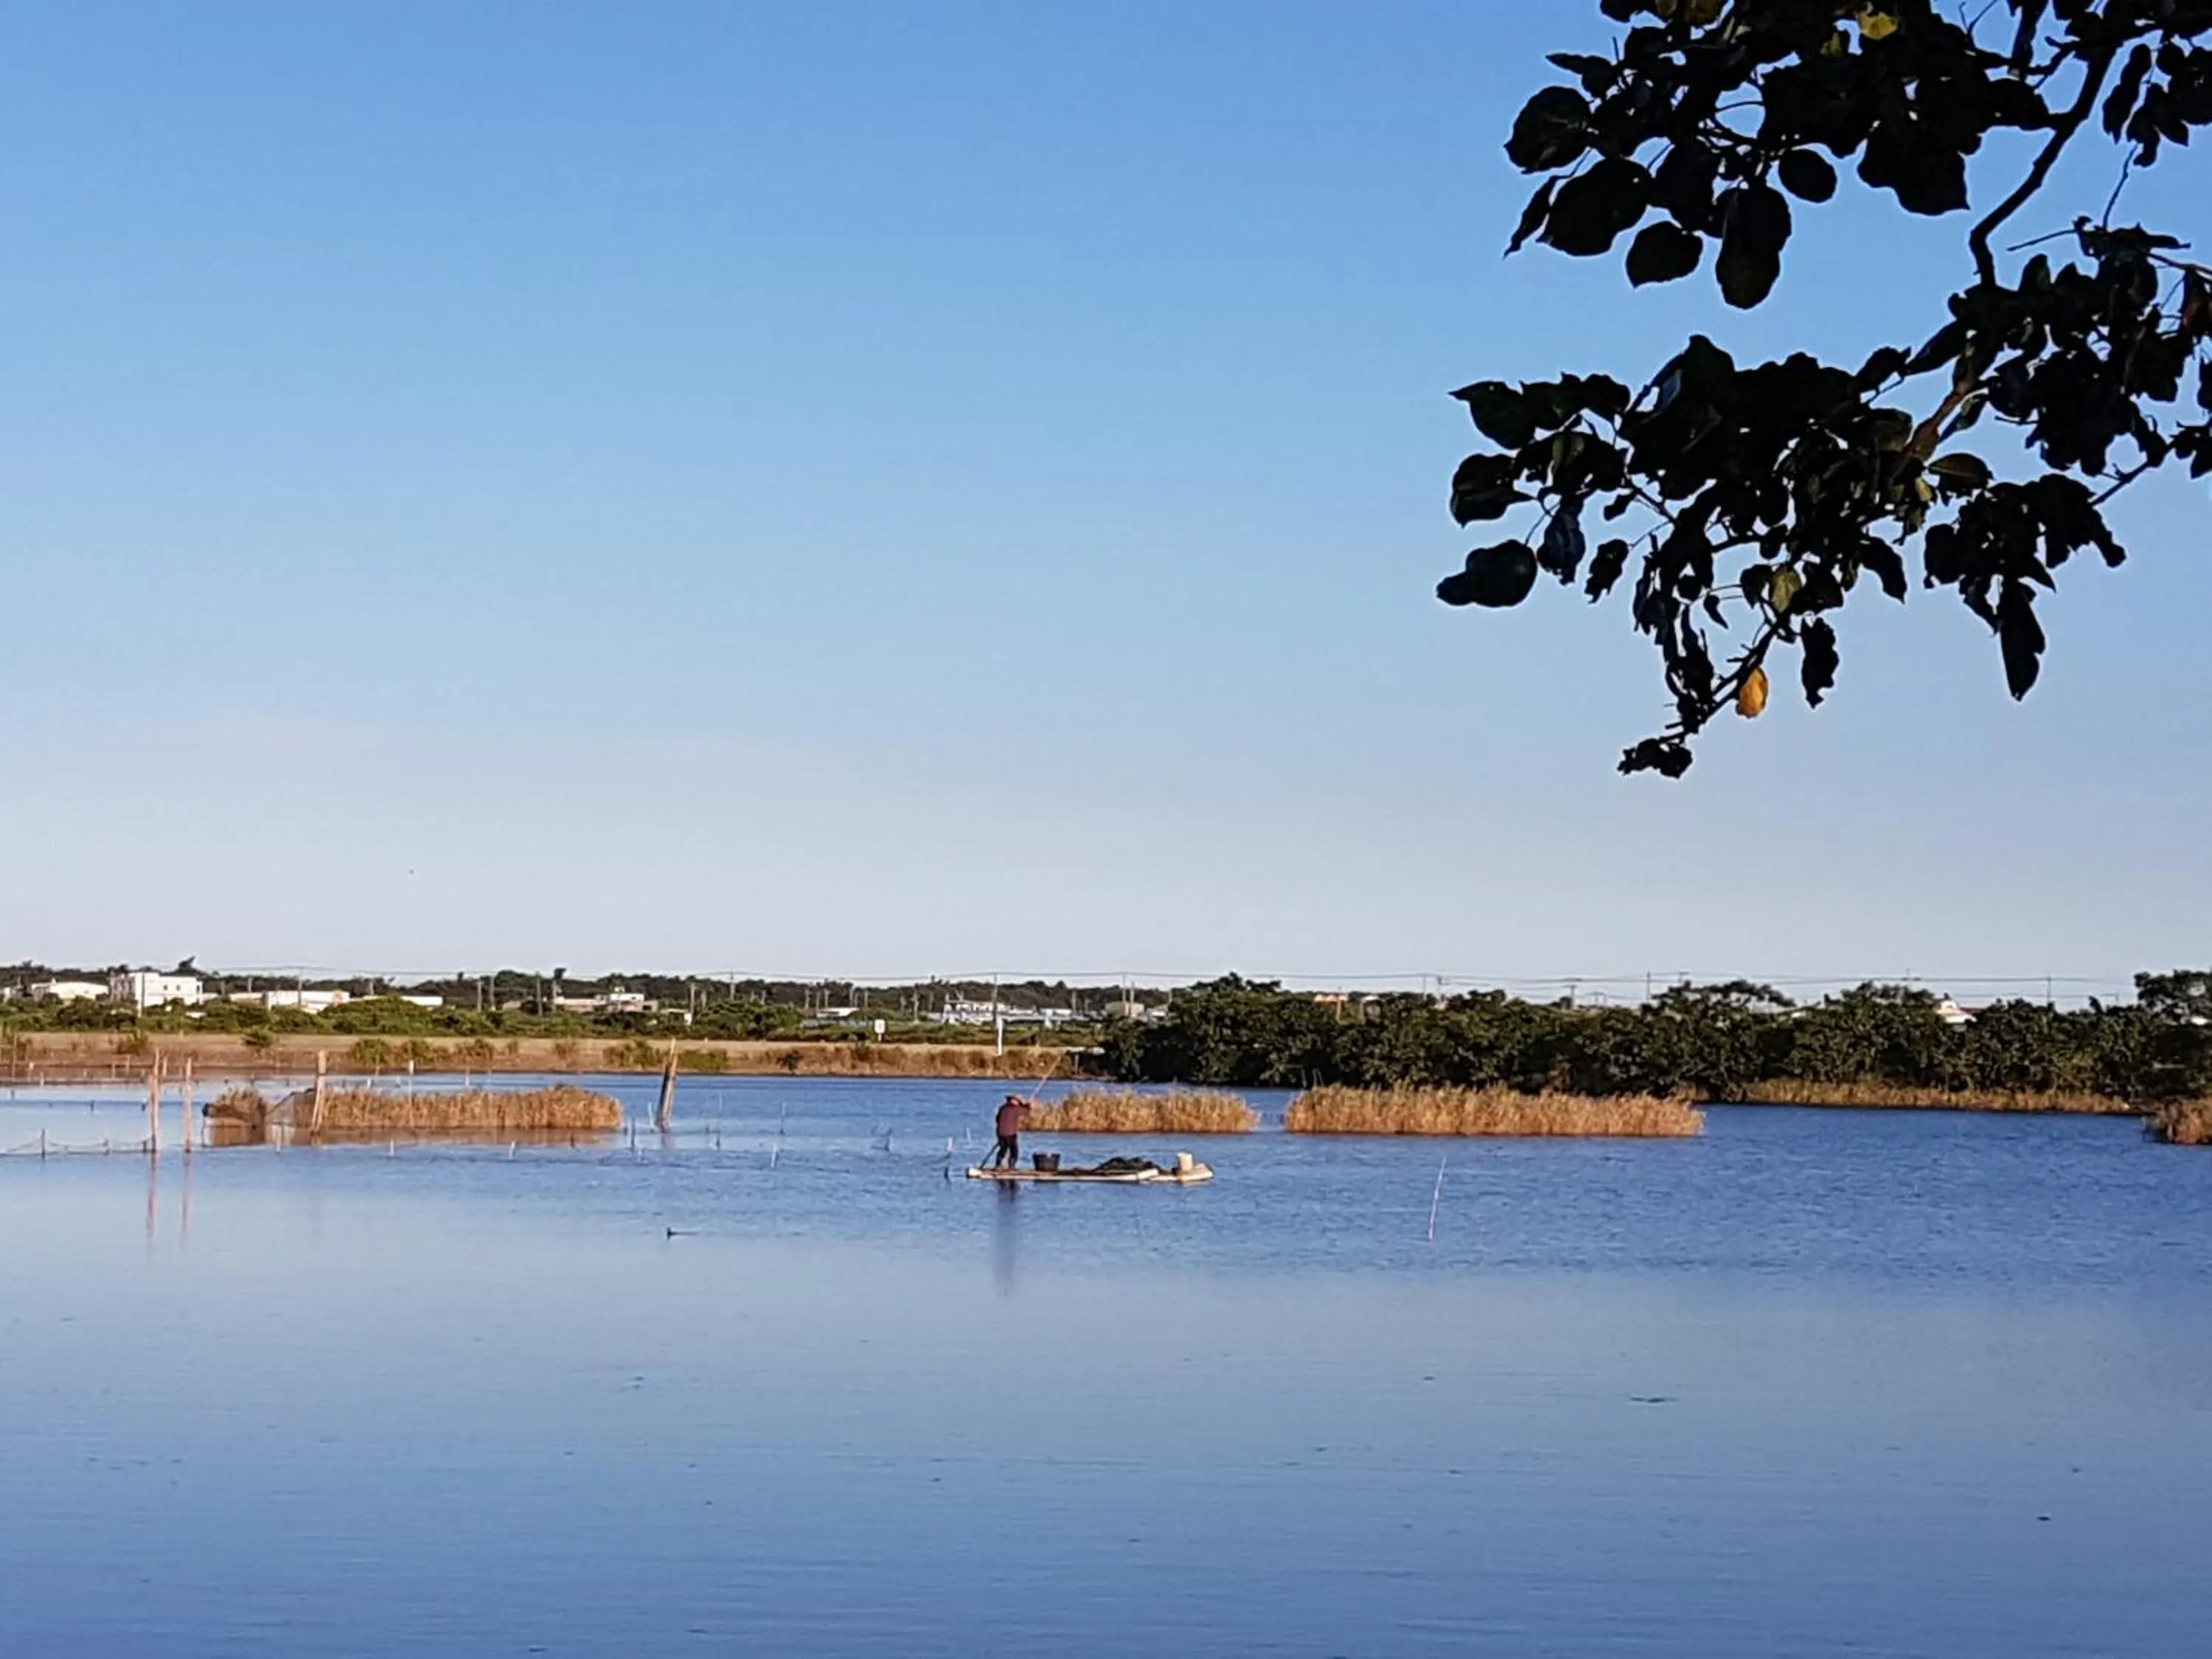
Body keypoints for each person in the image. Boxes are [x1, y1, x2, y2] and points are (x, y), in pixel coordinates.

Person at [990, 1093, 1032, 1169]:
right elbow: (1026, 1112)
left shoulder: (1002, 1108)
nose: (1018, 1103)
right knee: (1014, 1151)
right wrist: (1029, 1106)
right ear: (1014, 1101)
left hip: (1000, 1133)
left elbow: (997, 1120)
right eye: (1018, 1101)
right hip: (1010, 1134)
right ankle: (1011, 1167)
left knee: (1003, 1149)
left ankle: (998, 1165)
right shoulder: (1015, 1109)